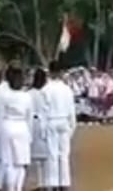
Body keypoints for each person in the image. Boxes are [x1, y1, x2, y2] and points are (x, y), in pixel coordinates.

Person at [41, 60, 76, 191]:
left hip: (51, 120)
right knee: (64, 154)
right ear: (61, 73)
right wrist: (72, 127)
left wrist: (43, 130)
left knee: (52, 154)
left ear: (49, 72)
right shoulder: (67, 89)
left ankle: (54, 183)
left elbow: (43, 111)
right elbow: (72, 110)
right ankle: (65, 183)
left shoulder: (45, 89)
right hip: (64, 121)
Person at [0, 65, 33, 191]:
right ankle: (18, 187)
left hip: (7, 126)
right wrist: (30, 134)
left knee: (8, 162)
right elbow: (29, 118)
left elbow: (0, 116)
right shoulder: (27, 97)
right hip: (22, 127)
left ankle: (11, 187)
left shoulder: (4, 96)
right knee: (21, 162)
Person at [29, 68, 49, 190]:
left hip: (34, 123)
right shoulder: (44, 93)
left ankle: (40, 183)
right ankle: (42, 183)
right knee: (42, 156)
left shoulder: (29, 93)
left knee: (36, 157)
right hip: (41, 122)